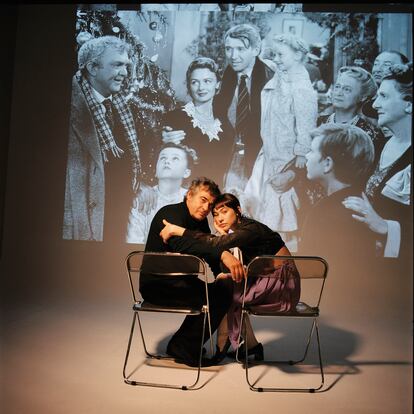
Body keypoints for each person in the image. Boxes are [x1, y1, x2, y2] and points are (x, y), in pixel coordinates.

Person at [160, 193, 300, 363]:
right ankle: (250, 347)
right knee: (225, 287)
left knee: (225, 291)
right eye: (216, 215)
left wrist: (178, 230)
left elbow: (214, 245)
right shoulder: (240, 235)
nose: (219, 218)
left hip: (283, 286)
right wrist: (222, 235)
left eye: (224, 211)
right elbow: (227, 269)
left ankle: (221, 349)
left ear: (238, 210)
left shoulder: (251, 230)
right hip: (270, 283)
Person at [141, 177, 245, 367]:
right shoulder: (170, 214)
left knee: (222, 291)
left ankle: (181, 345)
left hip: (182, 284)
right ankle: (184, 347)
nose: (207, 208)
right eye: (203, 200)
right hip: (157, 285)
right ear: (189, 195)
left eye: (211, 204)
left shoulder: (201, 223)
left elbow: (208, 251)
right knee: (216, 296)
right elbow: (186, 245)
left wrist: (219, 273)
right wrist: (223, 255)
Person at [63, 36, 153, 241]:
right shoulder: (69, 109)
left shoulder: (122, 106)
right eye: (117, 65)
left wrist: (140, 185)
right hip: (85, 226)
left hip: (118, 219)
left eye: (126, 66)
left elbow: (130, 160)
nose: (124, 73)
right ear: (93, 67)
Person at [243, 33, 317, 251]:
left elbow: (306, 122)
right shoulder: (279, 79)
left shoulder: (301, 87)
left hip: (286, 153)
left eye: (281, 54)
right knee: (258, 198)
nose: (277, 58)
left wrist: (302, 153)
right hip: (269, 148)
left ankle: (282, 248)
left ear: (298, 55)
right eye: (274, 54)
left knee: (280, 199)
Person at [342, 63, 412, 259]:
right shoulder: (380, 144)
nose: (375, 105)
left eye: (384, 97)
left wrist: (384, 226)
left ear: (409, 104)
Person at [300, 123, 377, 267]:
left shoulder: (324, 214)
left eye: (311, 151)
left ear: (328, 163)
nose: (306, 156)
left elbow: (311, 270)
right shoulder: (360, 204)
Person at [161, 57, 231, 187]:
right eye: (195, 82)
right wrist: (163, 142)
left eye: (207, 81)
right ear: (189, 85)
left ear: (217, 84)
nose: (201, 88)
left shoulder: (225, 125)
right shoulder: (174, 118)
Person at [126, 143, 196, 244]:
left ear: (186, 172)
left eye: (175, 158)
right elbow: (134, 239)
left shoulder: (192, 201)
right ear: (156, 170)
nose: (167, 161)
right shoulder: (142, 198)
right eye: (163, 158)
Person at [318, 66, 385, 150]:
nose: (339, 93)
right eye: (337, 86)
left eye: (347, 89)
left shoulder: (370, 135)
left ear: (362, 97)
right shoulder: (318, 122)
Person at [362, 50, 409, 119]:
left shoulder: (404, 102)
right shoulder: (366, 98)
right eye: (376, 64)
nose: (378, 69)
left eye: (386, 65)